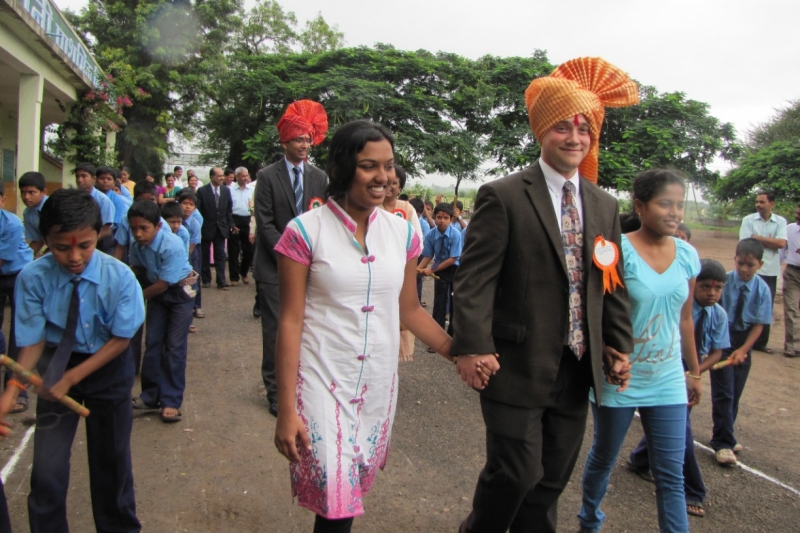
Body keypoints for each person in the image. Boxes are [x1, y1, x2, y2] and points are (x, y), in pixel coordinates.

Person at [272, 120, 493, 533]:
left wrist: (458, 352)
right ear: (341, 169)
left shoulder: (404, 234)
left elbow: (409, 309)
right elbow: (290, 321)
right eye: (369, 166)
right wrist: (286, 410)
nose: (383, 177)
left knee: (347, 497)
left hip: (377, 385)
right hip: (321, 380)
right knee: (335, 500)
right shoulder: (304, 232)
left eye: (389, 166)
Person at [451, 57, 637, 533]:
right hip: (515, 363)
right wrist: (472, 345)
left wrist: (618, 345)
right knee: (515, 473)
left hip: (577, 368)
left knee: (551, 480)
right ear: (541, 132)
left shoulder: (603, 203)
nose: (574, 138)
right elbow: (475, 279)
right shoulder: (504, 195)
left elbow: (609, 282)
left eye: (584, 128)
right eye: (562, 127)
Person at [0, 188, 144, 533]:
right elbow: (31, 342)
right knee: (47, 471)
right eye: (62, 247)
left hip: (107, 367)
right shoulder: (32, 277)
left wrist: (71, 378)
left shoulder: (120, 277)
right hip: (55, 366)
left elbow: (121, 340)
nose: (75, 257)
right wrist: (9, 395)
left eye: (85, 245)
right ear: (45, 239)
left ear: (99, 235)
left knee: (112, 466)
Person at [578, 169, 702, 533]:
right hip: (619, 376)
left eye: (679, 205)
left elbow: (685, 320)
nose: (675, 212)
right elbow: (596, 312)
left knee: (670, 473)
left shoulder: (687, 255)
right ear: (640, 206)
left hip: (666, 378)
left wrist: (692, 371)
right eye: (665, 203)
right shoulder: (617, 250)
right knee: (604, 457)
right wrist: (606, 354)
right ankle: (589, 521)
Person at [627, 258, 730, 519]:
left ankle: (640, 459)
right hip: (667, 363)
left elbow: (717, 352)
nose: (712, 293)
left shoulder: (718, 314)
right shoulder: (679, 309)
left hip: (691, 369)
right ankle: (693, 490)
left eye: (718, 288)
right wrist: (678, 372)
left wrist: (694, 373)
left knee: (673, 425)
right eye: (705, 287)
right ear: (691, 285)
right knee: (680, 432)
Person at [253, 100, 329, 417]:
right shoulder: (267, 177)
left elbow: (324, 219)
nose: (304, 145)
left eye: (307, 139)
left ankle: (302, 386)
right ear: (285, 142)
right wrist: (290, 256)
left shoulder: (319, 177)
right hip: (274, 268)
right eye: (298, 139)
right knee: (276, 330)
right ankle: (275, 392)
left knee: (307, 328)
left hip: (309, 269)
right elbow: (266, 222)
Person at [128, 200, 196, 423]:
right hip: (156, 293)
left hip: (178, 294)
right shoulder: (137, 245)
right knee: (153, 342)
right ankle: (150, 395)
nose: (138, 234)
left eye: (143, 228)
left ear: (157, 226)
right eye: (134, 228)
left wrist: (131, 299)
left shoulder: (171, 244)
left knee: (174, 347)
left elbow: (162, 284)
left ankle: (171, 400)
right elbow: (136, 269)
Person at [711, 238, 772, 465]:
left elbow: (759, 324)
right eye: (740, 264)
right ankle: (723, 443)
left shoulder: (762, 289)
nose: (744, 269)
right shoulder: (723, 282)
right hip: (722, 341)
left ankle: (724, 431)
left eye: (750, 265)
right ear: (735, 259)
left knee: (735, 392)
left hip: (744, 342)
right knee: (724, 392)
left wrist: (744, 350)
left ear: (760, 264)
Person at [380, 164, 423, 361]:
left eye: (394, 183)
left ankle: (396, 355)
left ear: (400, 188)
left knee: (402, 310)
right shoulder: (371, 206)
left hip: (400, 269)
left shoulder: (407, 209)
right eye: (386, 181)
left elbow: (418, 242)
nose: (389, 186)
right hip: (377, 267)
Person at [0, 182, 34, 414]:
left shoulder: (11, 223)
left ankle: (18, 391)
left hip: (16, 275)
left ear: (2, 200)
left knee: (18, 336)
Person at [738, 191, 786, 353]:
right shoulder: (748, 220)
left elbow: (781, 243)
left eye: (762, 202)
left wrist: (758, 238)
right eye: (757, 202)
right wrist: (767, 242)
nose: (758, 205)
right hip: (751, 269)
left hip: (770, 270)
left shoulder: (780, 222)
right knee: (746, 301)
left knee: (766, 305)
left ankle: (761, 343)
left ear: (772, 203)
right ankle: (743, 338)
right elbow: (745, 243)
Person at [418, 203, 462, 341]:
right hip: (439, 271)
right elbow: (428, 255)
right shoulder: (431, 235)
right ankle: (437, 339)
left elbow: (453, 258)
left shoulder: (456, 234)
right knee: (439, 302)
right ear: (434, 217)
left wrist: (431, 269)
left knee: (456, 303)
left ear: (450, 219)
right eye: (439, 217)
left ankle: (452, 337)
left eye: (446, 218)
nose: (442, 221)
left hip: (455, 270)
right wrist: (418, 269)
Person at [196, 167, 234, 289]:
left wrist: (231, 224)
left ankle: (221, 281)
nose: (222, 178)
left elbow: (229, 210)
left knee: (220, 255)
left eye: (223, 175)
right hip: (206, 227)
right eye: (219, 176)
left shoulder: (226, 191)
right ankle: (206, 280)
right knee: (205, 254)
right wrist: (199, 227)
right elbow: (199, 211)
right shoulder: (202, 191)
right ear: (212, 177)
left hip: (221, 228)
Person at [74, 162, 116, 243]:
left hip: (101, 243)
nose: (79, 180)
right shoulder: (75, 198)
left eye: (84, 176)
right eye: (77, 176)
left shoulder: (103, 200)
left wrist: (88, 242)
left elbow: (107, 230)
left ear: (94, 179)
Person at [229, 167, 255, 285]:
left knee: (249, 250)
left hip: (248, 220)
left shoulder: (252, 190)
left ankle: (243, 272)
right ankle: (234, 277)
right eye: (243, 176)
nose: (245, 178)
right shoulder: (230, 190)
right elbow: (227, 208)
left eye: (246, 176)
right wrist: (231, 223)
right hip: (234, 220)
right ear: (237, 177)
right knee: (233, 250)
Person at [781, 204, 800, 357]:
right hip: (792, 272)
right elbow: (783, 249)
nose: (797, 216)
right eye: (797, 213)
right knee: (791, 309)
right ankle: (792, 346)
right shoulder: (790, 229)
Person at [18, 171, 48, 256]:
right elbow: (37, 240)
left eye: (31, 192)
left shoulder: (54, 206)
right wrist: (25, 259)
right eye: (23, 192)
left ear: (44, 192)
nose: (26, 197)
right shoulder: (28, 213)